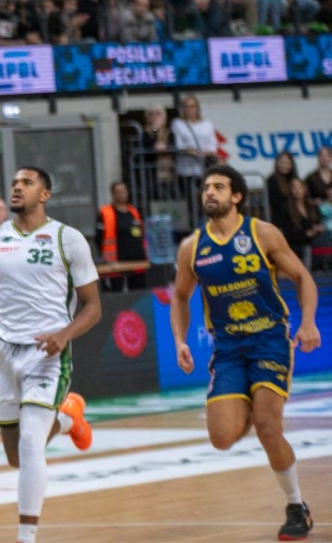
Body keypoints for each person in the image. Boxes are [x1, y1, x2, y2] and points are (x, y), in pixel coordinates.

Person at [0, 167, 100, 543]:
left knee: (31, 444)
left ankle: (26, 537)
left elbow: (93, 307)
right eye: (14, 183)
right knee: (17, 457)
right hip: (6, 354)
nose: (17, 187)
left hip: (47, 353)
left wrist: (63, 335)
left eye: (27, 183)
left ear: (44, 194)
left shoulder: (67, 239)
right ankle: (68, 419)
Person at [170, 165, 321, 542]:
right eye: (206, 187)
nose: (209, 192)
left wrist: (308, 322)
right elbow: (180, 297)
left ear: (236, 196)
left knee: (269, 427)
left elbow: (302, 277)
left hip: (269, 338)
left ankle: (296, 506)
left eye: (218, 187)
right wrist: (180, 341)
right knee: (222, 437)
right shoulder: (192, 247)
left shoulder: (262, 233)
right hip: (228, 347)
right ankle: (253, 404)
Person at [171, 95, 219, 212]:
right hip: (186, 169)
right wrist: (190, 151)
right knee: (189, 201)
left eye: (192, 106)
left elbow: (213, 143)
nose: (190, 109)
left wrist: (207, 152)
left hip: (204, 168)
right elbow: (178, 144)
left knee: (207, 197)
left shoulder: (207, 123)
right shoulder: (178, 123)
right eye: (187, 107)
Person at [95, 181, 145, 263]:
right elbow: (98, 237)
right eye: (119, 192)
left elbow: (140, 232)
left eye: (124, 191)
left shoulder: (133, 211)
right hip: (117, 261)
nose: (122, 194)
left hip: (138, 259)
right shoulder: (105, 213)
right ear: (113, 194)